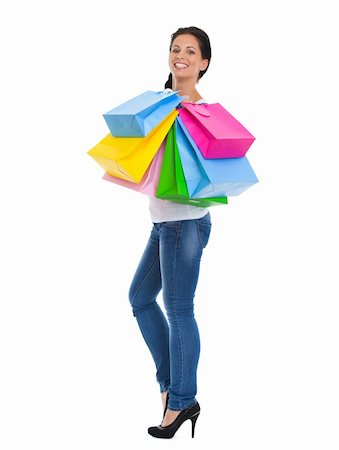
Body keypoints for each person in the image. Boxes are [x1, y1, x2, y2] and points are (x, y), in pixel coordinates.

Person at [128, 26, 212, 439]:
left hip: (186, 224)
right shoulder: (160, 103)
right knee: (140, 297)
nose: (180, 56)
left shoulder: (203, 112)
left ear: (203, 63)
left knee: (180, 310)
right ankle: (170, 385)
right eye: (175, 49)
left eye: (190, 51)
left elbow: (206, 175)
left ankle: (181, 402)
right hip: (162, 223)